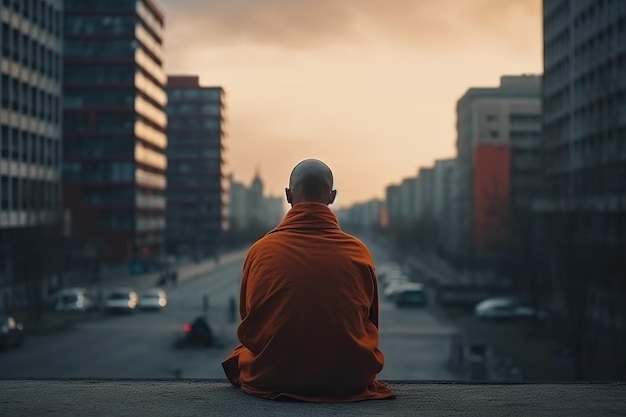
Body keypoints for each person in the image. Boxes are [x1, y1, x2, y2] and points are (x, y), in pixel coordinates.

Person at [222, 158, 395, 402]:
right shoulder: (358, 252)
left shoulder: (260, 250)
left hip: (271, 376)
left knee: (242, 353)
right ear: (332, 196)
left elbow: (251, 322)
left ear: (288, 195)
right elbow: (369, 323)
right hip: (346, 379)